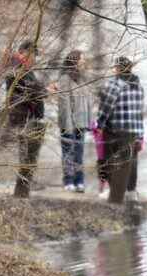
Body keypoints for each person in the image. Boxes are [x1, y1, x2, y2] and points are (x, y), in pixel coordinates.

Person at [96, 56, 145, 203]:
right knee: (131, 161)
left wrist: (99, 125)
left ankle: (114, 192)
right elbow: (139, 113)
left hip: (114, 130)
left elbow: (105, 108)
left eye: (115, 67)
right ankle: (131, 192)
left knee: (112, 161)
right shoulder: (138, 86)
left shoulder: (114, 84)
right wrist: (140, 134)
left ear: (119, 68)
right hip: (133, 131)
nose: (114, 70)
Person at [6, 40, 47, 198]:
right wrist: (43, 90)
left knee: (30, 155)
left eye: (35, 55)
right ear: (24, 52)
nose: (34, 58)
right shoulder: (17, 69)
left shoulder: (26, 69)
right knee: (26, 155)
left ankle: (25, 187)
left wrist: (42, 90)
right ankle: (22, 191)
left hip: (31, 118)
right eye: (32, 54)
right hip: (24, 118)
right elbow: (33, 91)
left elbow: (36, 89)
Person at [55, 50, 93, 193]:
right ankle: (69, 181)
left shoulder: (83, 79)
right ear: (75, 61)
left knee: (79, 153)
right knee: (68, 153)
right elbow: (64, 104)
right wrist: (68, 125)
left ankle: (79, 181)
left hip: (81, 124)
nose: (84, 62)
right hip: (68, 123)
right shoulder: (65, 79)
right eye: (82, 59)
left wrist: (89, 122)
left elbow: (88, 102)